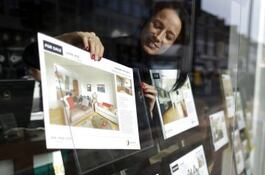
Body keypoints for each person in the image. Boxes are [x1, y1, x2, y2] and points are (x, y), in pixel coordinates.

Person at [23, 2, 189, 118]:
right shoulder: (105, 48)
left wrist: (147, 112)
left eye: (169, 36)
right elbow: (32, 57)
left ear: (174, 43)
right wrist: (70, 39)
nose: (159, 37)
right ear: (146, 21)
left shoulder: (157, 73)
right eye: (157, 25)